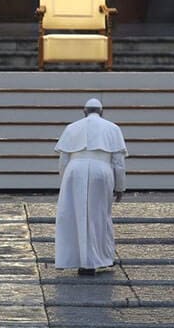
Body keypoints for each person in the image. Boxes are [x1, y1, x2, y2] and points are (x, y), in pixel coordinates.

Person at [54, 98, 127, 275]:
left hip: (74, 169)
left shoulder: (72, 127)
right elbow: (118, 163)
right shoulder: (113, 128)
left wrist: (64, 182)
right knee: (100, 215)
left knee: (72, 215)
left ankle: (73, 258)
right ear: (102, 112)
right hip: (101, 170)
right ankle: (99, 259)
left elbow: (63, 159)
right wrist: (120, 187)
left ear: (84, 111)